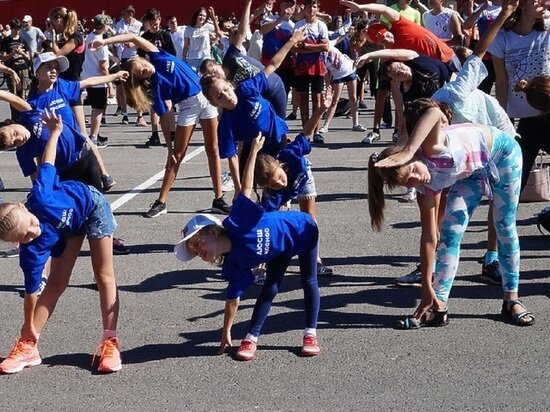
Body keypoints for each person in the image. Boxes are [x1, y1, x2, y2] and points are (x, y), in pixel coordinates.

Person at [368, 98, 535, 328]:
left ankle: (511, 299)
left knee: (504, 225)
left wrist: (408, 149)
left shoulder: (431, 147)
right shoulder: (424, 188)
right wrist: (427, 286)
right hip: (472, 172)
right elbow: (428, 238)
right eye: (409, 183)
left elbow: (434, 112)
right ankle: (439, 305)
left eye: (413, 171)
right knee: (449, 233)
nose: (417, 179)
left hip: (503, 153)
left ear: (414, 157)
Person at [174, 134, 321, 361]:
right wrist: (225, 332)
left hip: (303, 230)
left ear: (212, 231)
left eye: (197, 244)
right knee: (270, 287)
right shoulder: (235, 264)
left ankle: (310, 333)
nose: (198, 252)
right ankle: (251, 337)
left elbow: (246, 188)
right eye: (194, 253)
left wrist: (252, 152)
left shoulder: (238, 221)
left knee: (308, 280)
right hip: (280, 249)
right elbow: (232, 299)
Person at [0, 109, 122, 374]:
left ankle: (110, 342)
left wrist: (55, 131)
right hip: (68, 224)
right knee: (55, 282)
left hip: (92, 205)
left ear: (26, 207)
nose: (33, 232)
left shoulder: (42, 195)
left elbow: (48, 162)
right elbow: (32, 292)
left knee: (103, 275)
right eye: (25, 237)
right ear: (18, 243)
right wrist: (28, 330)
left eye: (31, 225)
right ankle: (28, 347)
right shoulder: (30, 249)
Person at [92, 32, 231, 217]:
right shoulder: (156, 86)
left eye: (141, 64)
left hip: (207, 98)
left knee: (213, 149)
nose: (144, 68)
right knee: (177, 156)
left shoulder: (158, 56)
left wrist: (104, 41)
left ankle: (218, 199)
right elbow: (165, 115)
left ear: (142, 58)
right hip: (188, 106)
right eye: (140, 73)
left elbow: (133, 37)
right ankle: (161, 201)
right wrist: (168, 146)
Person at [200, 27, 306, 194]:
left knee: (288, 182)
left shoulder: (247, 89)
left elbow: (272, 64)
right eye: (219, 97)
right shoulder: (226, 124)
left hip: (277, 137)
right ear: (214, 103)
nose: (226, 96)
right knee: (259, 184)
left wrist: (292, 40)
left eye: (226, 90)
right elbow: (232, 157)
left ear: (229, 84)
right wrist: (237, 188)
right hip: (256, 148)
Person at [254, 87, 334, 276]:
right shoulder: (273, 191)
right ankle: (263, 262)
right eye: (274, 184)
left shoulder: (290, 155)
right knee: (272, 219)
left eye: (279, 178)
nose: (280, 183)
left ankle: (315, 259)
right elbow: (264, 224)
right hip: (281, 194)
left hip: (302, 176)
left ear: (279, 164)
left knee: (309, 218)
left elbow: (306, 131)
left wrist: (322, 108)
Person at [489, 0, 550, 193]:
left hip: (548, 108)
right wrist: (502, 119)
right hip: (525, 116)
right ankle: (503, 220)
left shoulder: (548, 29)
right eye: (537, 0)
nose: (543, 3)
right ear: (521, 4)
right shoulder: (503, 38)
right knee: (516, 173)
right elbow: (501, 82)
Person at [293, 0, 330, 144]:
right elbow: (294, 48)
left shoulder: (321, 25)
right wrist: (315, 47)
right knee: (303, 99)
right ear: (305, 8)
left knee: (317, 99)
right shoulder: (298, 25)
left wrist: (306, 45)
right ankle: (305, 131)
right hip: (302, 66)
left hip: (317, 65)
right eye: (309, 6)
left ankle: (316, 131)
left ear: (318, 9)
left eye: (314, 6)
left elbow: (325, 47)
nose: (311, 9)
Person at [319, 39, 367, 135]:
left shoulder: (330, 44)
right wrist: (328, 85)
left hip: (350, 70)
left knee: (353, 98)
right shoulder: (320, 56)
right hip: (338, 76)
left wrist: (347, 31)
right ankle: (326, 125)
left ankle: (355, 123)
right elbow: (325, 73)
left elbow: (340, 35)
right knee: (334, 100)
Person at [113, 5, 143, 125]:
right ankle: (124, 114)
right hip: (122, 57)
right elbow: (115, 39)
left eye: (125, 14)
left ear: (131, 14)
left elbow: (142, 42)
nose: (123, 17)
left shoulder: (139, 25)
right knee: (121, 87)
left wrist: (133, 44)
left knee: (136, 86)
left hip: (135, 57)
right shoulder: (120, 24)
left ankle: (139, 115)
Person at [0, 18, 31, 120]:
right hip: (11, 68)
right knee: (13, 94)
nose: (17, 31)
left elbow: (28, 57)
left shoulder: (23, 40)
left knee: (22, 94)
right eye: (15, 29)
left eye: (19, 29)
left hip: (23, 68)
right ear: (12, 29)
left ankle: (23, 118)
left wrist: (21, 53)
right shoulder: (6, 41)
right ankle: (14, 118)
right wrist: (12, 54)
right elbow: (3, 57)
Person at [183, 7, 216, 73]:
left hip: (205, 56)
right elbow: (186, 46)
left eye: (204, 16)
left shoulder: (208, 26)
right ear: (196, 15)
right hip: (193, 57)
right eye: (200, 15)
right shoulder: (188, 29)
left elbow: (219, 33)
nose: (202, 17)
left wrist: (214, 43)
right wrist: (183, 58)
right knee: (192, 75)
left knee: (207, 75)